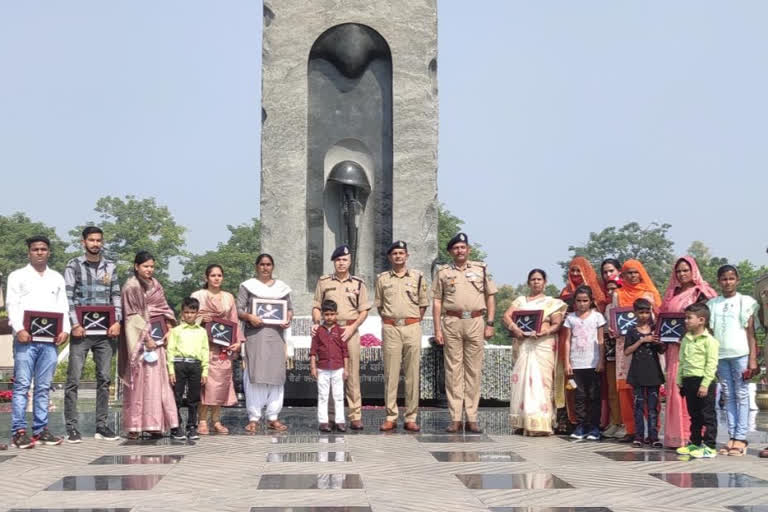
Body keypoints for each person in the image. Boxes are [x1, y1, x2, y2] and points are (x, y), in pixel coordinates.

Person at [6, 236, 70, 448]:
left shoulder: (56, 278)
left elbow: (63, 306)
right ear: (29, 253)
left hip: (50, 340)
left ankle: (41, 430)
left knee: (43, 387)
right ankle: (19, 431)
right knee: (22, 385)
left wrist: (66, 329)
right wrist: (19, 328)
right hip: (26, 339)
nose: (40, 252)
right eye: (36, 249)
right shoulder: (17, 276)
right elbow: (12, 304)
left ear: (49, 252)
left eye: (43, 249)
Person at [433, 233, 497, 433]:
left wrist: (490, 323)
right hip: (452, 321)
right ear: (450, 252)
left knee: (473, 370)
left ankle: (472, 417)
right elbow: (436, 301)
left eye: (463, 247)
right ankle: (455, 417)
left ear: (468, 249)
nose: (460, 251)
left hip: (476, 321)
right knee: (453, 371)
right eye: (456, 248)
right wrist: (437, 329)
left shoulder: (481, 269)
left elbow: (490, 296)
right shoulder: (443, 272)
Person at [63, 226, 122, 443]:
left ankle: (102, 426)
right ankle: (71, 427)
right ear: (83, 242)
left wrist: (117, 322)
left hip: (105, 332)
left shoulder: (111, 266)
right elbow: (69, 297)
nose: (95, 244)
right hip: (81, 332)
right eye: (91, 240)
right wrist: (74, 324)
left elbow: (116, 295)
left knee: (104, 379)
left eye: (99, 240)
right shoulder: (74, 265)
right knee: (73, 380)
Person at [659, 256, 717, 449]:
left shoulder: (702, 292)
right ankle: (676, 436)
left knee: (697, 398)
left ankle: (696, 439)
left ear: (693, 271)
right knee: (676, 389)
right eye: (678, 271)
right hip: (675, 349)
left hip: (696, 348)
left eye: (686, 270)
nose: (682, 274)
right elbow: (664, 320)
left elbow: (705, 318)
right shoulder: (671, 293)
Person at [119, 251, 178, 439]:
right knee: (138, 384)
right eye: (145, 266)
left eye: (152, 266)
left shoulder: (156, 285)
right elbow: (132, 316)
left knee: (156, 384)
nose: (149, 270)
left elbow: (164, 307)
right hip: (138, 342)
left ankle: (154, 424)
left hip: (159, 339)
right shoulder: (131, 286)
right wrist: (147, 339)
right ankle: (135, 426)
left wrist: (169, 327)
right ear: (136, 266)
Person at [311, 245, 370, 430]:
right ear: (334, 262)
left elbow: (364, 310)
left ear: (350, 261)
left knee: (350, 374)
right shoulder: (324, 282)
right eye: (338, 260)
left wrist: (353, 327)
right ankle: (330, 417)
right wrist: (316, 322)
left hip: (349, 330)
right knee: (328, 373)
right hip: (328, 331)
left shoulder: (358, 283)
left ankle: (355, 415)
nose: (341, 263)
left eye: (344, 259)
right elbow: (316, 306)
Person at [503, 269, 566, 435]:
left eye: (539, 279)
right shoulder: (520, 301)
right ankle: (522, 421)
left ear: (545, 282)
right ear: (528, 282)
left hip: (543, 344)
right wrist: (515, 329)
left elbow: (557, 323)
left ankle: (541, 423)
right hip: (524, 343)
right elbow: (506, 316)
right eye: (533, 279)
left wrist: (544, 332)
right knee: (522, 380)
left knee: (543, 382)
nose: (536, 282)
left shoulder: (552, 302)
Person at [375, 240, 429, 432]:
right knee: (391, 373)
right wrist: (393, 321)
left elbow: (423, 305)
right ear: (390, 257)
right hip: (391, 328)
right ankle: (391, 415)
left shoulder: (418, 277)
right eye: (394, 253)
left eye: (401, 253)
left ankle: (411, 416)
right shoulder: (382, 279)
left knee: (412, 373)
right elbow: (380, 306)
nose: (398, 256)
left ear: (407, 256)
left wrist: (410, 321)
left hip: (412, 327)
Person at [238, 254, 293, 432]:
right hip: (255, 335)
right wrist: (249, 316)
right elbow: (238, 310)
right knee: (255, 375)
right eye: (262, 264)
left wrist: (287, 319)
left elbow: (289, 310)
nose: (265, 267)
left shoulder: (282, 288)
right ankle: (254, 417)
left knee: (276, 376)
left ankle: (273, 416)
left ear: (273, 267)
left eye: (268, 264)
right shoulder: (248, 286)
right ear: (256, 266)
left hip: (276, 336)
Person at [708, 264, 759, 456]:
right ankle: (732, 436)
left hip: (741, 355)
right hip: (721, 356)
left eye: (731, 278)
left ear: (737, 280)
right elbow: (711, 334)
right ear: (719, 281)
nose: (727, 282)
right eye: (723, 279)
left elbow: (750, 332)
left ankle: (741, 437)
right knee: (728, 395)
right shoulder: (713, 304)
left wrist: (753, 359)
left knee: (742, 394)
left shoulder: (746, 302)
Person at [191, 264, 243, 435]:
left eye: (219, 275)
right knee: (205, 384)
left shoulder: (228, 297)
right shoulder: (198, 296)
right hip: (204, 346)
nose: (216, 278)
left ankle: (217, 420)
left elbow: (234, 321)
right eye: (213, 275)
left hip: (223, 347)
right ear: (206, 277)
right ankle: (203, 421)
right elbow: (187, 316)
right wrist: (201, 318)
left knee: (220, 384)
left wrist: (238, 342)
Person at [614, 259, 662, 442]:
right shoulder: (618, 294)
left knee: (650, 393)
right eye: (628, 273)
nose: (632, 276)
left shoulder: (650, 293)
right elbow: (613, 314)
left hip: (649, 346)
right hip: (625, 343)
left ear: (641, 273)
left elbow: (658, 316)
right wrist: (613, 327)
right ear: (623, 275)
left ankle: (653, 431)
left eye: (635, 272)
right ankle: (632, 430)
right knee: (627, 389)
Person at [558, 257, 607, 430]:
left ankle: (594, 426)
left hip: (593, 360)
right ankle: (577, 424)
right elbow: (567, 340)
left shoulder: (597, 298)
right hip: (575, 360)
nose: (576, 274)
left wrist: (601, 360)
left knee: (593, 394)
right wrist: (567, 362)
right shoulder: (566, 294)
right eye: (572, 270)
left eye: (579, 270)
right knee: (577, 394)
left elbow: (601, 338)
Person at [676, 303, 719, 459]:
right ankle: (694, 442)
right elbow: (682, 360)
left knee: (707, 414)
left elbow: (711, 363)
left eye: (689, 318)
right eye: (685, 318)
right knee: (693, 414)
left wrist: (705, 384)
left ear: (701, 320)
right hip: (689, 380)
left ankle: (710, 446)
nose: (686, 321)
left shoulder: (709, 340)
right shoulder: (686, 339)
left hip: (703, 381)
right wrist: (679, 379)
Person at [624, 298, 666, 448]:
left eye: (647, 312)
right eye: (641, 312)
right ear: (634, 313)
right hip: (637, 373)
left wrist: (658, 342)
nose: (644, 315)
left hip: (653, 372)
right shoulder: (631, 331)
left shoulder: (656, 329)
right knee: (638, 406)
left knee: (653, 407)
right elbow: (627, 351)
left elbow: (662, 350)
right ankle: (639, 436)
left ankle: (653, 436)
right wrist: (642, 341)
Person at [166, 297, 209, 440]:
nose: (189, 315)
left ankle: (191, 426)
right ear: (182, 313)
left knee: (194, 398)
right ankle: (176, 426)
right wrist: (171, 370)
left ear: (197, 313)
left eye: (192, 312)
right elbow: (170, 350)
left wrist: (205, 370)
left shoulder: (202, 331)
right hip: (180, 364)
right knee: (176, 396)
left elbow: (205, 350)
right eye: (186, 312)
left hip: (195, 365)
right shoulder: (176, 331)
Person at [310, 300, 349, 432]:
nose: (329, 317)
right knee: (323, 395)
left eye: (332, 314)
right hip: (322, 368)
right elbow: (313, 351)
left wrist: (346, 369)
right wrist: (313, 368)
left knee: (338, 395)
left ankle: (340, 421)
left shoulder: (340, 331)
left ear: (336, 314)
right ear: (322, 315)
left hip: (338, 368)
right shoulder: (318, 331)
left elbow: (345, 352)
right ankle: (323, 421)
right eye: (326, 314)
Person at [601, 276, 624, 438]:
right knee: (612, 389)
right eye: (608, 289)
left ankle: (626, 423)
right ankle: (615, 421)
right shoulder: (608, 307)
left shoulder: (627, 305)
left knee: (624, 388)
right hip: (611, 350)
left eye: (614, 288)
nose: (611, 292)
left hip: (626, 351)